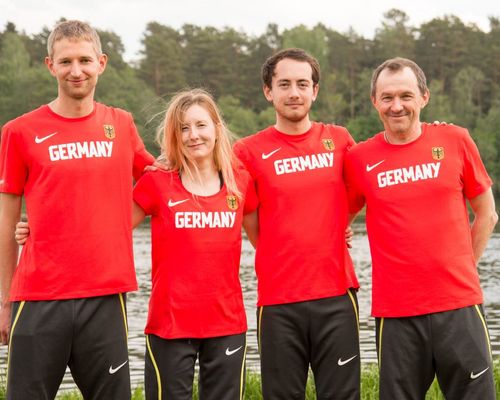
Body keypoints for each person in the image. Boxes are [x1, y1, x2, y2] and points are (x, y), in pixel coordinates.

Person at [0, 20, 154, 399]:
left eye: (85, 60)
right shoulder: (19, 131)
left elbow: (159, 184)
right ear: (50, 65)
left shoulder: (121, 124)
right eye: (65, 61)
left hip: (105, 296)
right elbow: (5, 221)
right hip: (37, 298)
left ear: (101, 63)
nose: (76, 70)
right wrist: (3, 302)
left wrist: (116, 223)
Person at [343, 57, 498, 400]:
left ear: (424, 97)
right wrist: (341, 236)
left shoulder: (456, 139)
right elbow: (336, 216)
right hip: (396, 313)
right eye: (387, 97)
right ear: (374, 101)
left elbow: (486, 214)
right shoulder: (359, 158)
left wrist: (465, 268)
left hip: (459, 306)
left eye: (406, 96)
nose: (396, 106)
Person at [233, 48, 360, 399]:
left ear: (315, 91)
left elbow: (373, 180)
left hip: (336, 295)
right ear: (268, 91)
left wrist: (336, 225)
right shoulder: (247, 151)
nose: (294, 93)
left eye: (303, 84)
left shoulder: (339, 139)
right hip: (278, 300)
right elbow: (250, 221)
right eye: (284, 84)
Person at [129, 88, 258, 400]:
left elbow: (267, 241)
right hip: (169, 325)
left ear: (216, 128)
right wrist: (40, 227)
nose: (193, 135)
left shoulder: (239, 180)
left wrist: (338, 231)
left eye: (200, 125)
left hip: (226, 323)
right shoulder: (157, 182)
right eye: (183, 128)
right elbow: (109, 230)